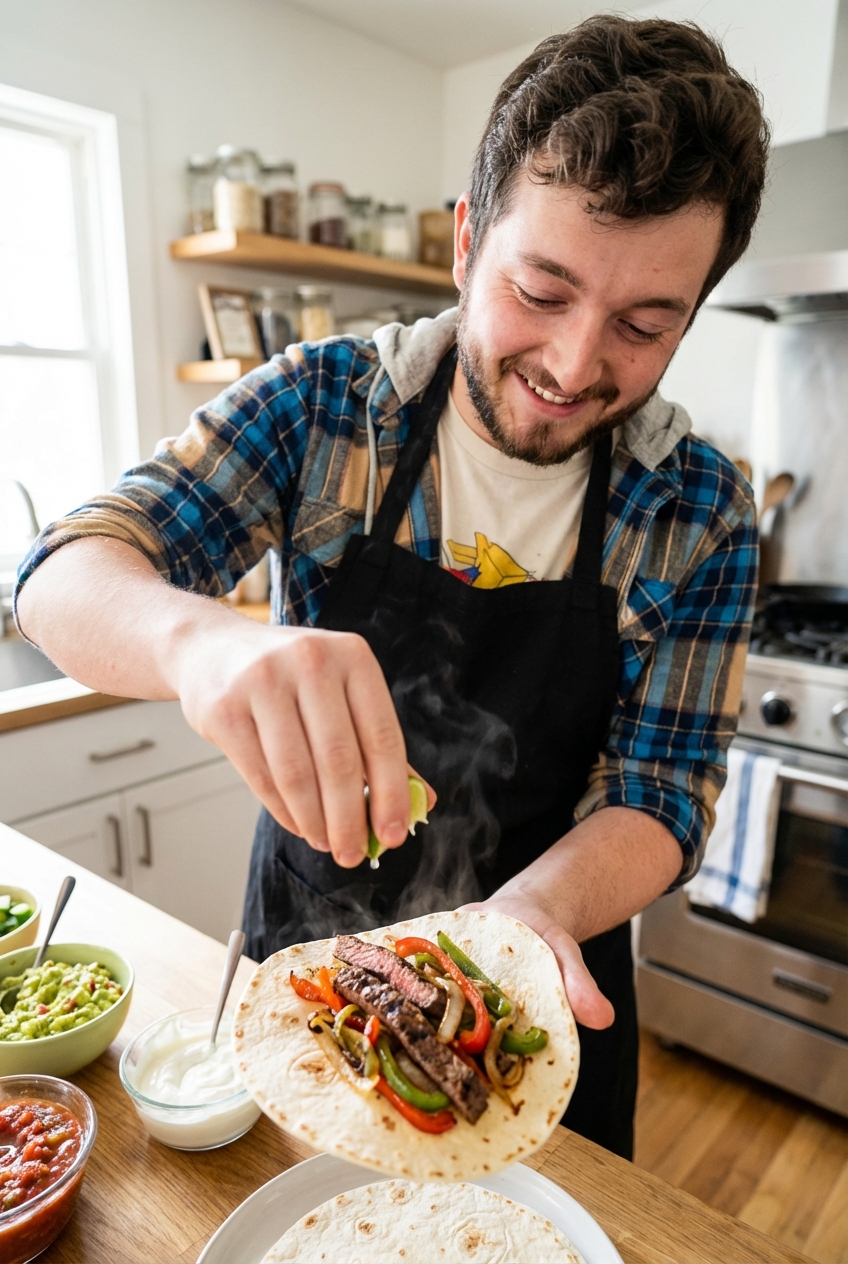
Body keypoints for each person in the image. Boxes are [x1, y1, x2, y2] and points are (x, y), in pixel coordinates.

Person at [15, 15, 766, 1158]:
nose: (572, 367)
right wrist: (201, 645)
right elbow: (62, 576)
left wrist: (523, 923)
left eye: (642, 324)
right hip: (303, 973)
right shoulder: (324, 408)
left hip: (541, 984)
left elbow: (662, 793)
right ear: (467, 243)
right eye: (541, 290)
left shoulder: (698, 508)